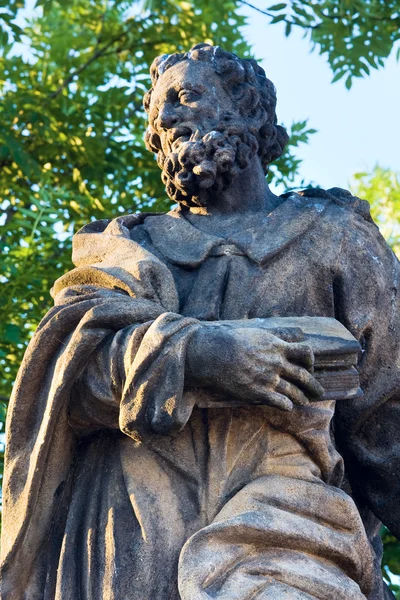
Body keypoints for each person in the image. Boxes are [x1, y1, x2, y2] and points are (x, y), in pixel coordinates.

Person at [1, 43, 399, 600]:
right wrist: (195, 357)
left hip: (286, 522)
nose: (166, 120)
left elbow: (386, 423)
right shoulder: (127, 249)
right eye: (157, 111)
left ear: (252, 112)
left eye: (185, 96)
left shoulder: (334, 239)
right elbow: (66, 376)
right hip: (132, 525)